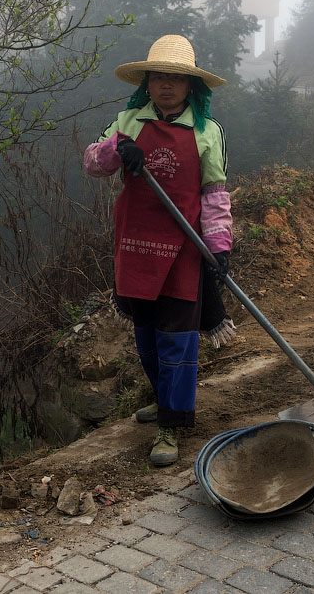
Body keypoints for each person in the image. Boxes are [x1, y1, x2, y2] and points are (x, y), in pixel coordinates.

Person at [83, 34, 234, 466]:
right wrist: (117, 148)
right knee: (146, 334)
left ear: (191, 87)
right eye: (158, 77)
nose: (167, 85)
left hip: (183, 248)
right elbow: (93, 163)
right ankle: (163, 397)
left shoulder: (207, 132)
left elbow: (215, 194)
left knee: (177, 339)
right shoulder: (128, 121)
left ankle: (172, 423)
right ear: (147, 83)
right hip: (135, 246)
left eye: (176, 79)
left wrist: (218, 245)